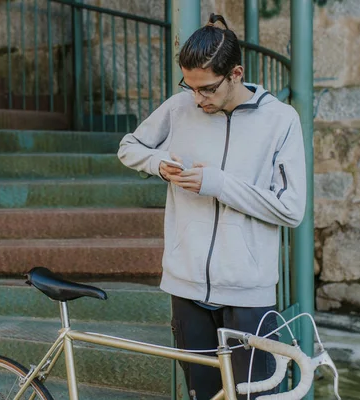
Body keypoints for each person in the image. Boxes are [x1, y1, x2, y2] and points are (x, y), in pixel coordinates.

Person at [117, 13, 307, 400]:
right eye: (190, 87)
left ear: (235, 73)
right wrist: (159, 164)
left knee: (252, 396)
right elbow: (129, 147)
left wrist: (217, 183)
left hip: (248, 293)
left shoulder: (281, 120)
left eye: (207, 89)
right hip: (185, 286)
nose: (197, 98)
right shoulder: (179, 106)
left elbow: (291, 209)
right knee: (201, 395)